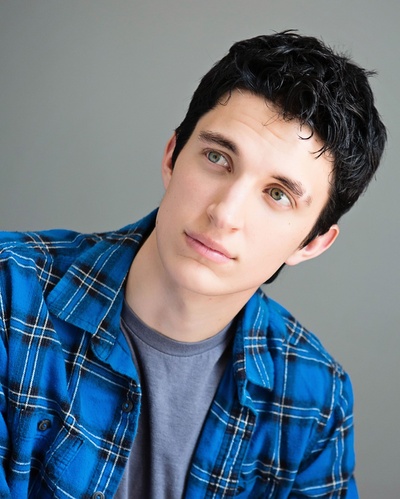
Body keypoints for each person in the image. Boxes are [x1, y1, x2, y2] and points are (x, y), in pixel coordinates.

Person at [0, 31, 386, 498]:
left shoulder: (316, 397)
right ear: (172, 156)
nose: (225, 214)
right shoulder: (9, 294)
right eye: (218, 158)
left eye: (277, 194)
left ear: (313, 243)